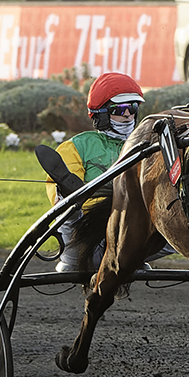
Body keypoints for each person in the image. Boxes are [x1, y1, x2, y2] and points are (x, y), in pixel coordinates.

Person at [44, 72, 144, 272]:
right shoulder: (77, 146)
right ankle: (68, 198)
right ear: (102, 113)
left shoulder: (145, 144)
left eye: (132, 108)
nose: (127, 115)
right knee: (68, 204)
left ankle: (134, 254)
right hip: (85, 232)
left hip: (129, 231)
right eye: (119, 109)